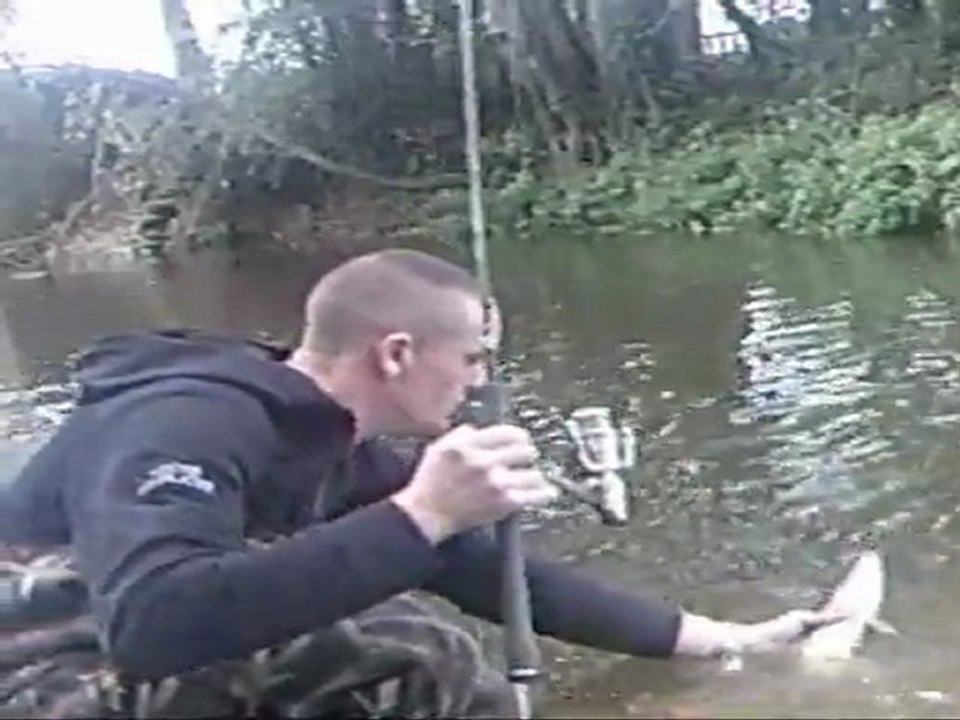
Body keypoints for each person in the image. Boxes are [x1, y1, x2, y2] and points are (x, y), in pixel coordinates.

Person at [1, 249, 836, 718]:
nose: (477, 384)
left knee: (397, 625)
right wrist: (421, 512)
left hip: (110, 642)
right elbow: (154, 625)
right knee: (407, 651)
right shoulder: (186, 420)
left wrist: (726, 640)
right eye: (471, 361)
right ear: (396, 354)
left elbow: (489, 575)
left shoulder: (337, 442)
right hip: (33, 665)